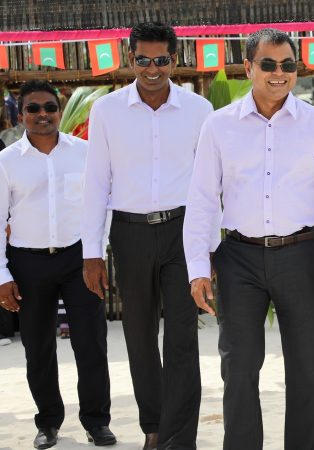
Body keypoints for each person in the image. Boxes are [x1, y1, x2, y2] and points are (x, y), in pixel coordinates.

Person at [183, 28, 314, 450]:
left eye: (288, 65)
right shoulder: (218, 126)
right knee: (238, 366)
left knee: (304, 367)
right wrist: (197, 268)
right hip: (238, 259)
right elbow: (202, 198)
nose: (279, 73)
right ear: (248, 67)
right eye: (268, 64)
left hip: (301, 256)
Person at [81, 22, 214, 450]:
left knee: (182, 338)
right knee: (139, 337)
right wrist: (91, 252)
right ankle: (154, 428)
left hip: (182, 232)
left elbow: (211, 183)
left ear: (174, 60)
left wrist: (209, 247)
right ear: (130, 58)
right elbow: (96, 182)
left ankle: (180, 437)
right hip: (129, 233)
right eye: (143, 60)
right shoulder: (107, 111)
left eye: (161, 60)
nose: (152, 69)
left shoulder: (198, 110)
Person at [0, 80, 115, 449]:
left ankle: (97, 421)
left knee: (91, 343)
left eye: (49, 107)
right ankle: (48, 422)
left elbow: (104, 205)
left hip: (79, 259)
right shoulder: (6, 161)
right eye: (33, 108)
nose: (42, 114)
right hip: (27, 262)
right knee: (38, 348)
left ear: (60, 110)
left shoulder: (86, 153)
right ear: (21, 114)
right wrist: (2, 274)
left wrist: (98, 253)